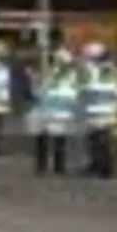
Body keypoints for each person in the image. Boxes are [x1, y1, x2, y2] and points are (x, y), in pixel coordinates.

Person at [29, 46, 80, 176]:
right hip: (46, 108)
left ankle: (57, 166)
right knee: (44, 138)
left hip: (59, 109)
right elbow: (37, 91)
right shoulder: (49, 74)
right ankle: (43, 166)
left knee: (58, 139)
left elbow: (74, 92)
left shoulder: (70, 76)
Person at [77, 42, 117, 178]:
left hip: (95, 111)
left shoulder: (92, 71)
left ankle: (101, 168)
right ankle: (101, 167)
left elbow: (85, 89)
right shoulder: (112, 70)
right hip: (108, 111)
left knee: (98, 142)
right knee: (102, 142)